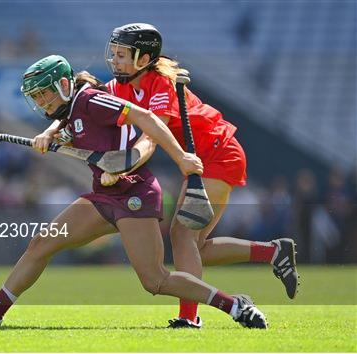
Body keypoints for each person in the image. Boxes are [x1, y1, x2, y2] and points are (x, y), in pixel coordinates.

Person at [0, 55, 268, 329]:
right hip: (103, 196)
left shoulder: (90, 100)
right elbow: (69, 125)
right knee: (43, 242)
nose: (42, 102)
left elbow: (146, 118)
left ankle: (234, 305)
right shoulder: (71, 110)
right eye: (37, 97)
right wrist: (49, 133)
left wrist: (181, 157)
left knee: (155, 280)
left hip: (134, 194)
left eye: (46, 94)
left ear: (64, 85)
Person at [100, 23, 298, 328]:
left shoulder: (161, 84)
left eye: (122, 55)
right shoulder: (121, 85)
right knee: (196, 246)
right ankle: (273, 251)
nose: (115, 60)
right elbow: (94, 108)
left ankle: (189, 317)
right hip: (197, 160)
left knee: (182, 235)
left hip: (219, 154)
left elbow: (152, 136)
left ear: (143, 58)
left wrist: (124, 165)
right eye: (113, 53)